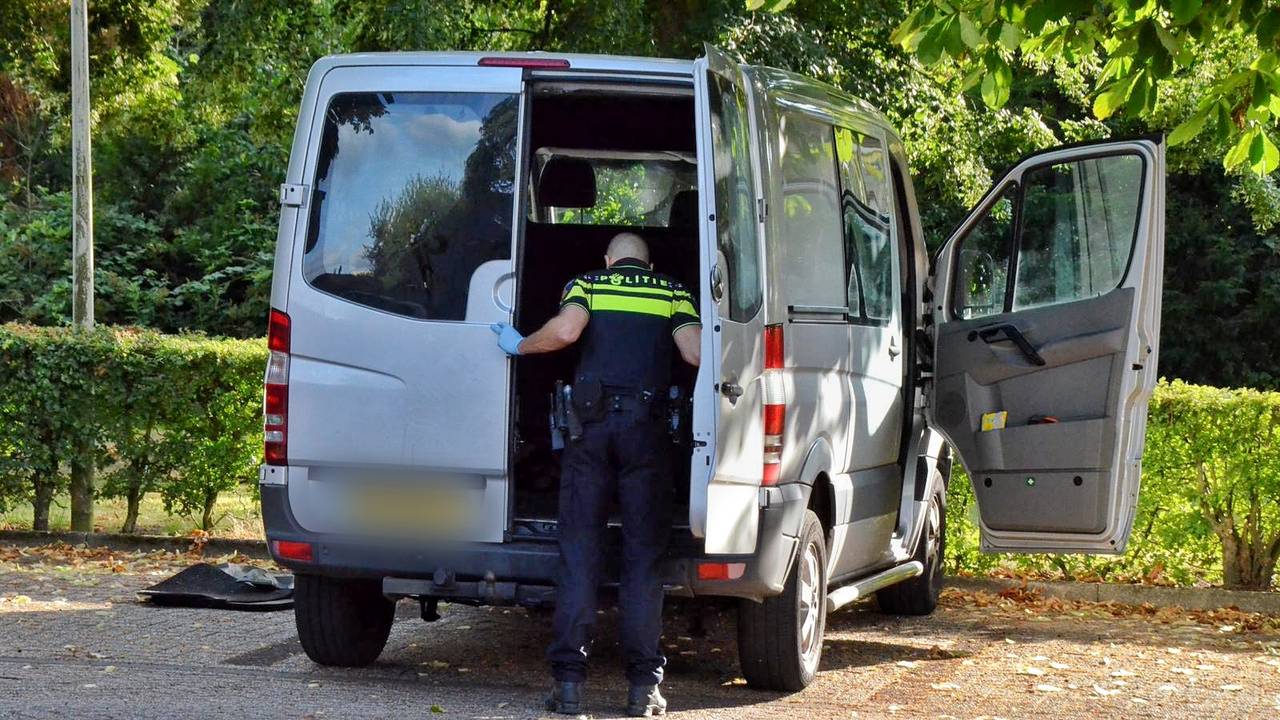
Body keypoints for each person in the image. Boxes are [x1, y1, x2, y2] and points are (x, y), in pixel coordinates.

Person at [491, 231, 700, 717]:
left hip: (590, 431)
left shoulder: (588, 284)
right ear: (646, 263)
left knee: (579, 551)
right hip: (647, 435)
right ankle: (643, 689)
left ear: (609, 260)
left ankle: (568, 685)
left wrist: (520, 345)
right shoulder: (672, 292)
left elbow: (565, 333)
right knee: (642, 559)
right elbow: (693, 354)